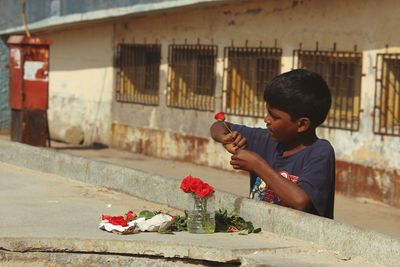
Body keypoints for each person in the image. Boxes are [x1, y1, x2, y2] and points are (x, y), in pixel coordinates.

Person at [210, 69, 335, 219]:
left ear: (301, 124)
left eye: (274, 117)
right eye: (267, 112)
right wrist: (226, 138)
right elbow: (219, 126)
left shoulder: (319, 152)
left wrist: (257, 165)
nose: (266, 119)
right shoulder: (265, 139)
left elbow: (301, 201)